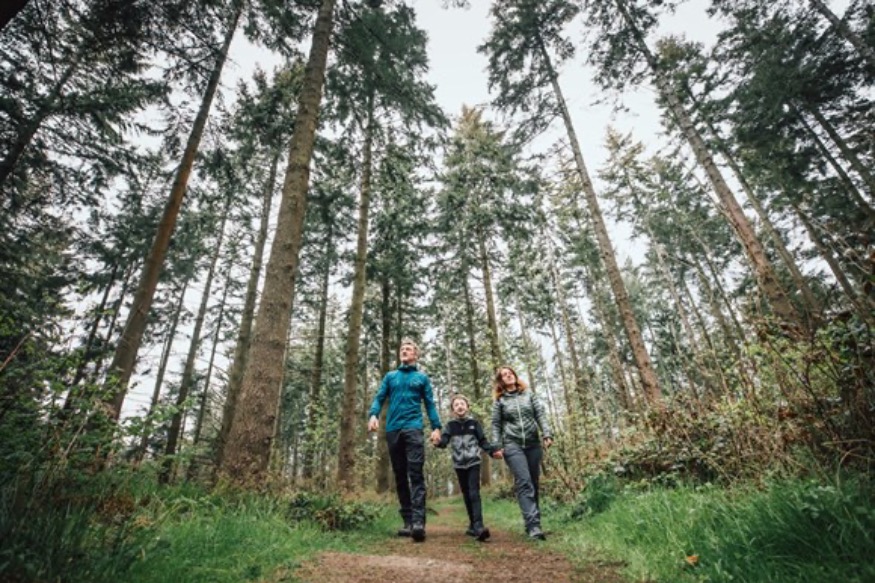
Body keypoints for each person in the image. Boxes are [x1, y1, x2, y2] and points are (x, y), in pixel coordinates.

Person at [367, 338, 442, 543]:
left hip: (414, 428)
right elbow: (379, 397)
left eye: (408, 349)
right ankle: (408, 522)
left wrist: (436, 427)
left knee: (415, 473)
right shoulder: (391, 377)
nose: (404, 351)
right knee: (400, 475)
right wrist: (373, 415)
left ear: (415, 355)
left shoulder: (421, 378)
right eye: (402, 349)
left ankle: (419, 523)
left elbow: (430, 404)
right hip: (392, 429)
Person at [491, 365, 553, 541]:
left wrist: (547, 433)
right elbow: (495, 424)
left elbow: (540, 414)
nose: (508, 376)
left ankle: (532, 522)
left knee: (533, 482)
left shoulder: (528, 395)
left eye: (510, 373)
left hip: (533, 444)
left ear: (515, 376)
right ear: (501, 381)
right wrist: (497, 445)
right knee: (524, 482)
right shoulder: (500, 401)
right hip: (512, 445)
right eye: (504, 375)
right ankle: (534, 526)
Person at [433, 393, 499, 542]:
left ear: (467, 407)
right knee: (466, 494)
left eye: (462, 403)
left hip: (474, 462)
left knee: (474, 493)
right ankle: (472, 525)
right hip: (459, 465)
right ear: (452, 410)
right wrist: (437, 442)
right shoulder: (450, 426)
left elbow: (483, 441)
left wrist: (492, 452)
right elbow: (444, 441)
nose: (459, 406)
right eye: (456, 405)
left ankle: (478, 526)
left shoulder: (474, 424)